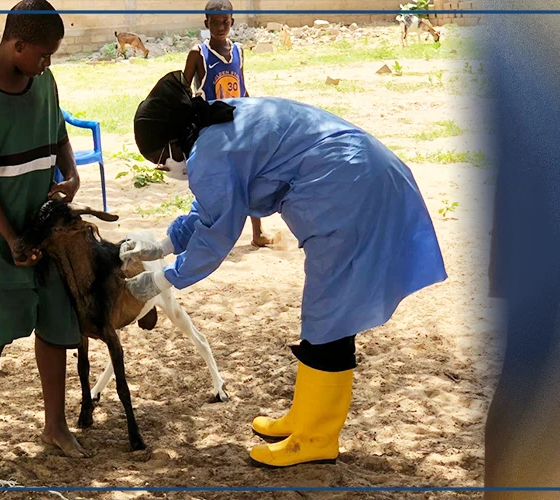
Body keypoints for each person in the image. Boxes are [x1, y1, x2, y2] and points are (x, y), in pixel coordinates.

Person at [120, 71, 448, 468]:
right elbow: (210, 210)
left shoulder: (210, 152)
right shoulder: (219, 121)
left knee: (330, 315)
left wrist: (161, 278)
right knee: (325, 312)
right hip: (355, 171)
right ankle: (305, 417)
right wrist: (166, 243)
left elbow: (216, 238)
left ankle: (316, 436)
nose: (163, 169)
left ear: (174, 143)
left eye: (158, 161)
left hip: (348, 188)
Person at [0, 0, 89, 472]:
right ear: (18, 44)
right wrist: (11, 239)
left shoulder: (43, 81)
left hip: (48, 226)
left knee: (55, 322)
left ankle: (55, 425)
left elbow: (59, 136)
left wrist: (70, 178)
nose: (47, 64)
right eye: (43, 54)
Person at [180, 0, 273, 248]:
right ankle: (204, 232)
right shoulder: (198, 54)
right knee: (213, 182)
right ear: (206, 23)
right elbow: (183, 91)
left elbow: (242, 87)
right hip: (213, 130)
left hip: (239, 125)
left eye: (225, 22)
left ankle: (257, 231)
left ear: (232, 22)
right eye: (215, 22)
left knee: (250, 175)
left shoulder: (239, 51)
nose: (220, 27)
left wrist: (255, 114)